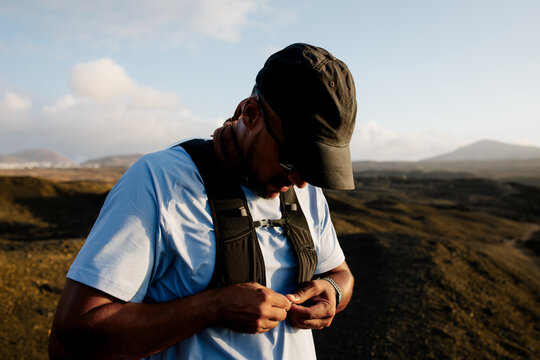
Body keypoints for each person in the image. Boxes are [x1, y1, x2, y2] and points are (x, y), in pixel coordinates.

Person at [49, 43, 357, 360]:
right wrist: (212, 308)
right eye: (292, 160)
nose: (301, 181)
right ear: (250, 114)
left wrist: (332, 292)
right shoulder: (157, 181)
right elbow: (74, 335)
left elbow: (340, 274)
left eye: (315, 168)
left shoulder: (304, 189)